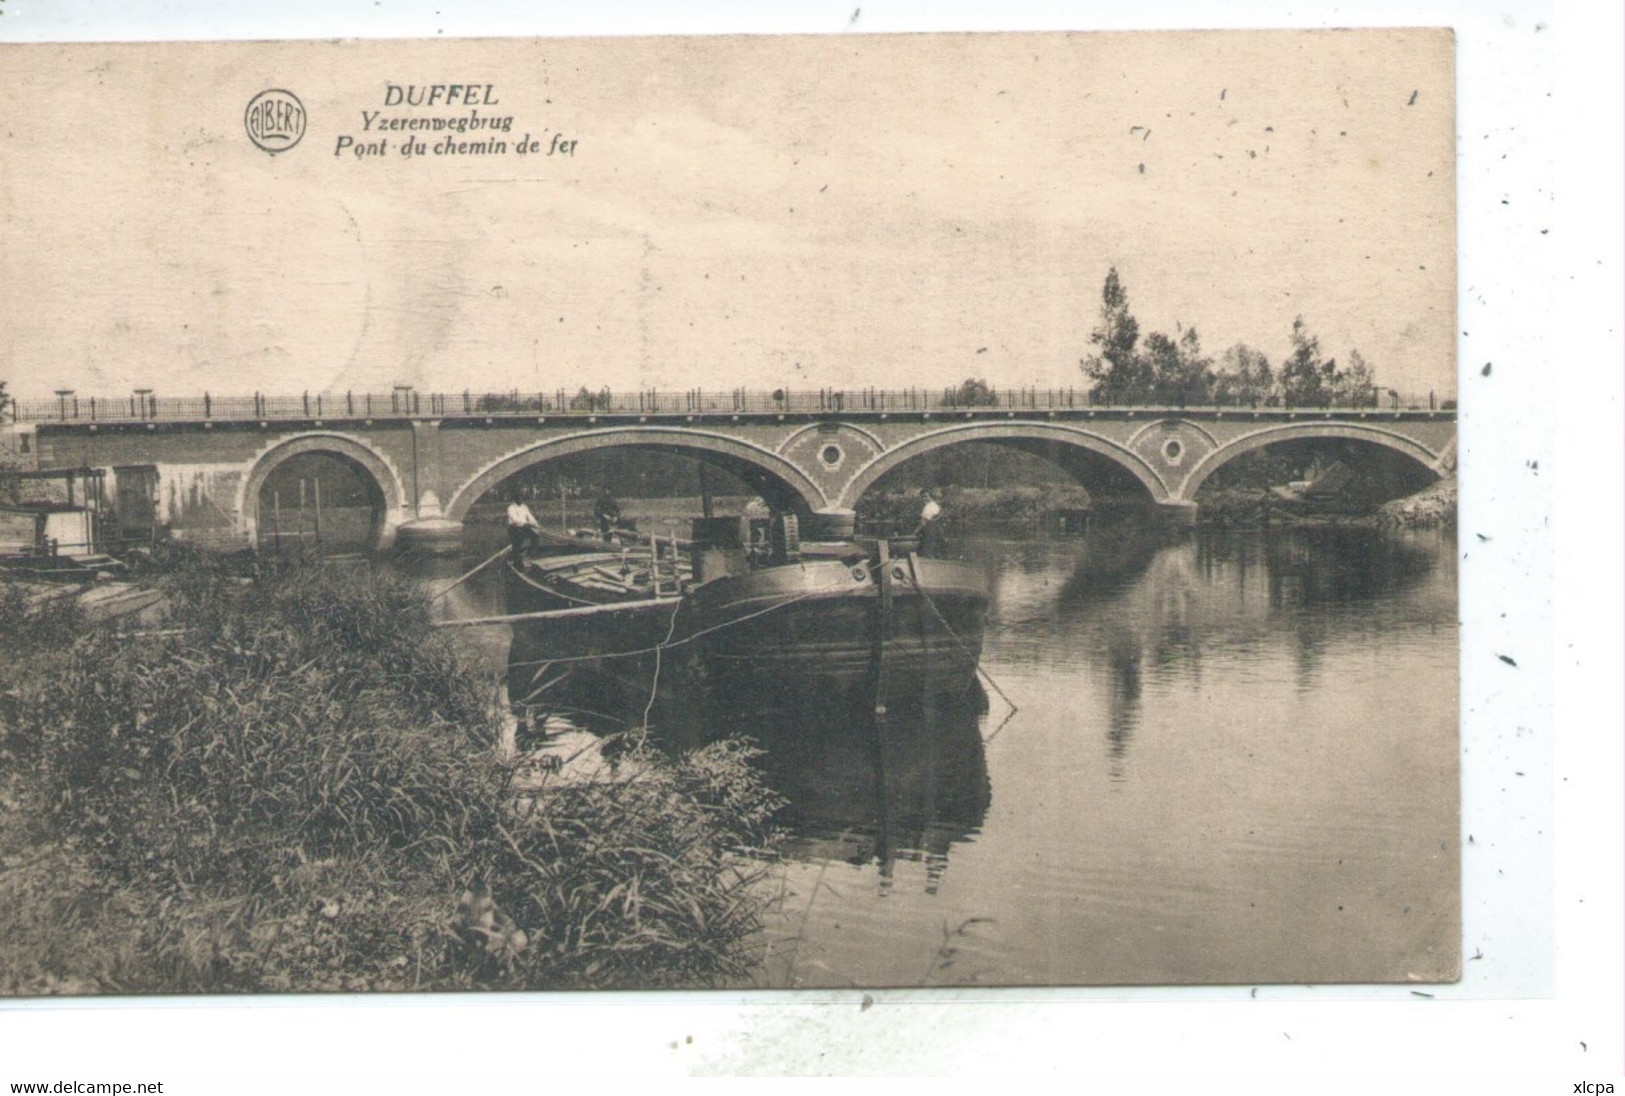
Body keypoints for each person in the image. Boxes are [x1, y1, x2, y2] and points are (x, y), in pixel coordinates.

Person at [915, 488, 945, 556]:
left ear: (931, 497)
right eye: (922, 497)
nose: (924, 499)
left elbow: (923, 523)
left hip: (930, 533)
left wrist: (914, 533)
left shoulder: (928, 507)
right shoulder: (935, 505)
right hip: (937, 532)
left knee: (927, 553)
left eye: (926, 496)